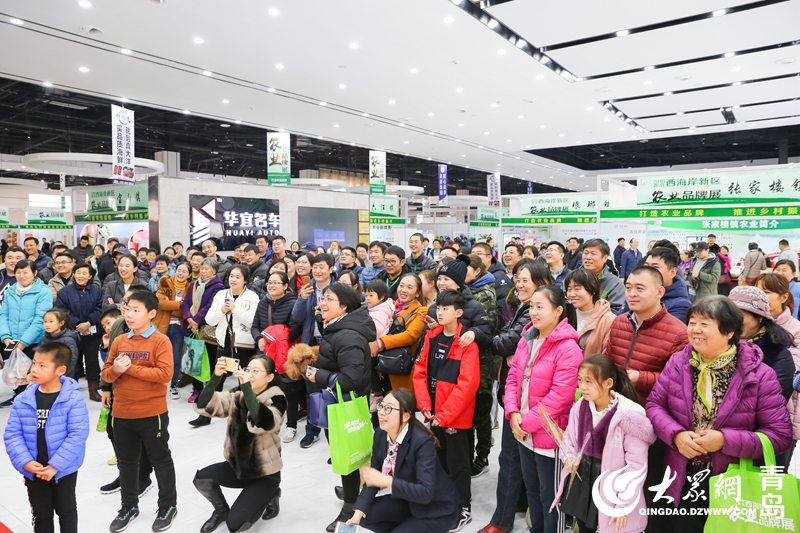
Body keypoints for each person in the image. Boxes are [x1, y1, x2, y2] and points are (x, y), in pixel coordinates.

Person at [646, 296, 792, 531]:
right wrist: (676, 435)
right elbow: (655, 405)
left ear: (729, 332)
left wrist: (724, 440)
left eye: (705, 324)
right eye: (692, 322)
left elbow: (779, 435)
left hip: (732, 482)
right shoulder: (679, 362)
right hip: (683, 475)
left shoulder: (759, 374)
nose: (696, 329)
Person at [505, 285, 583, 533]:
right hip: (523, 431)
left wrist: (524, 423)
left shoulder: (568, 348)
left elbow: (559, 398)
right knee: (532, 491)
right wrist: (513, 413)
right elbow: (512, 378)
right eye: (531, 306)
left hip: (550, 435)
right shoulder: (527, 339)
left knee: (551, 497)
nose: (534, 312)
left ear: (558, 311)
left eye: (540, 307)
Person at [100, 291, 178, 532]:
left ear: (151, 313)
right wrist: (116, 371)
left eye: (136, 310)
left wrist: (130, 368)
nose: (129, 314)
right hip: (122, 412)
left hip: (152, 413)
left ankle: (168, 506)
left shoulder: (160, 341)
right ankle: (129, 506)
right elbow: (106, 374)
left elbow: (165, 374)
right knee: (126, 462)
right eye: (127, 309)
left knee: (160, 460)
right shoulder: (119, 341)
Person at [552, 355, 654, 533]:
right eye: (580, 380)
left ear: (608, 383)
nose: (582, 386)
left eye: (589, 381)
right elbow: (569, 438)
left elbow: (636, 465)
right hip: (583, 483)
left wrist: (624, 502)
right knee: (584, 527)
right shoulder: (581, 406)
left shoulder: (628, 416)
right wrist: (569, 457)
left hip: (612, 490)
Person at [478, 259, 545, 533]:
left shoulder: (536, 315)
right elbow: (505, 343)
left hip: (531, 402)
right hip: (514, 395)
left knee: (512, 458)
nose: (519, 284)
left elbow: (505, 343)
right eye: (517, 279)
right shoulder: (521, 308)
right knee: (515, 456)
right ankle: (514, 505)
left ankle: (501, 521)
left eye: (525, 280)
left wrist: (501, 345)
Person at [303, 283, 377, 531]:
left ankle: (351, 507)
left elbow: (351, 379)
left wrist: (318, 375)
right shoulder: (338, 328)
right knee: (347, 454)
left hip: (345, 405)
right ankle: (353, 491)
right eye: (323, 298)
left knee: (348, 455)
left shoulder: (347, 335)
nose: (322, 303)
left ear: (344, 306)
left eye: (329, 299)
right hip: (338, 402)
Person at [3, 342, 90, 533]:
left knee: (66, 511)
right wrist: (25, 462)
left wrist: (55, 466)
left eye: (42, 365)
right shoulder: (23, 399)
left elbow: (77, 435)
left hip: (63, 470)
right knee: (41, 515)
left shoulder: (72, 399)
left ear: (61, 370)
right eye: (34, 363)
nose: (34, 369)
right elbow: (12, 434)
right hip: (34, 469)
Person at [193, 355, 285, 533]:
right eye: (248, 369)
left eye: (256, 371)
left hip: (264, 473)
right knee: (202, 479)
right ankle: (221, 510)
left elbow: (264, 422)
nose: (250, 374)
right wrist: (216, 377)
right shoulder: (238, 392)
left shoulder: (277, 397)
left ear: (269, 377)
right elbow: (205, 404)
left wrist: (247, 389)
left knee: (235, 524)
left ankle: (272, 494)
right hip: (238, 467)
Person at [347, 389, 460, 533]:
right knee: (365, 514)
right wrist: (358, 513)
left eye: (388, 408)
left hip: (436, 509)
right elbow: (373, 480)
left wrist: (387, 481)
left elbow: (426, 493)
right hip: (408, 501)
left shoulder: (421, 442)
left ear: (406, 416)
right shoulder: (381, 434)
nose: (381, 412)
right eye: (381, 406)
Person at [414, 289, 480, 532]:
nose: (440, 312)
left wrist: (445, 415)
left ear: (458, 312)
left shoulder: (466, 343)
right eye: (438, 307)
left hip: (455, 417)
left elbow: (467, 384)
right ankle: (444, 502)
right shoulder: (432, 336)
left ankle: (463, 508)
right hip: (433, 414)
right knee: (438, 460)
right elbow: (420, 372)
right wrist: (425, 405)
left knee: (458, 464)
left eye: (446, 308)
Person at [605, 267, 688, 406]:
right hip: (613, 404)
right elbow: (608, 358)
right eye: (628, 288)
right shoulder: (619, 322)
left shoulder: (679, 333)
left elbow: (680, 380)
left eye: (639, 288)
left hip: (649, 408)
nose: (632, 294)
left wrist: (641, 378)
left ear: (659, 292)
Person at [752, 272, 800, 469]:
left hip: (784, 414)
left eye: (766, 292)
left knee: (773, 473)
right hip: (747, 415)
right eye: (756, 291)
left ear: (783, 297)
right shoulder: (748, 325)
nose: (759, 296)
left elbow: (790, 373)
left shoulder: (795, 329)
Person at [291, 253, 338, 448]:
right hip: (311, 345)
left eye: (321, 267)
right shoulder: (308, 288)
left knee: (334, 388)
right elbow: (297, 317)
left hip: (333, 345)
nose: (317, 271)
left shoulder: (338, 288)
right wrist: (302, 298)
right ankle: (312, 430)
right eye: (315, 267)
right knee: (312, 390)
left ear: (331, 269)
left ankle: (336, 433)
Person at [251, 271, 303, 443]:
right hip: (265, 354)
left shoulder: (293, 303)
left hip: (284, 354)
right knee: (265, 390)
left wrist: (273, 338)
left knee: (289, 391)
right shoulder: (263, 303)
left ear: (286, 286)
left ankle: (291, 426)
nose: (271, 286)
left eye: (276, 282)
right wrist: (259, 338)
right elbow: (255, 326)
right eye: (269, 282)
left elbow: (294, 330)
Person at [463, 254, 498, 478]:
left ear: (477, 271)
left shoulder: (485, 293)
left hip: (482, 362)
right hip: (465, 362)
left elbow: (488, 329)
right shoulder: (464, 291)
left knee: (481, 413)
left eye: (466, 268)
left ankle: (482, 456)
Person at [0, 259, 53, 406]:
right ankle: (19, 398)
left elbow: (40, 320)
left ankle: (34, 401)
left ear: (34, 273)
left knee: (32, 375)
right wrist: (5, 336)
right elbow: (3, 315)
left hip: (33, 342)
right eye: (18, 272)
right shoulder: (11, 291)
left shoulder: (43, 291)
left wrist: (23, 342)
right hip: (11, 341)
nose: (22, 276)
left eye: (25, 272)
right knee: (16, 375)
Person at [729, 286, 795, 400]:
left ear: (760, 317)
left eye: (740, 316)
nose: (733, 322)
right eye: (729, 316)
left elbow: (775, 399)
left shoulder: (778, 355)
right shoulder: (720, 346)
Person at [54, 263, 103, 398]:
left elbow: (100, 308)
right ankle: (71, 391)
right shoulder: (64, 292)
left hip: (93, 333)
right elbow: (63, 311)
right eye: (78, 273)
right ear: (74, 274)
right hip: (71, 333)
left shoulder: (97, 291)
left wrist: (88, 323)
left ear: (90, 276)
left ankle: (93, 391)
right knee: (72, 362)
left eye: (84, 273)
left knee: (92, 362)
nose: (81, 276)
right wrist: (78, 325)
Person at [182, 258, 226, 403]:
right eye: (202, 268)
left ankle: (210, 390)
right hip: (192, 328)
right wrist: (189, 319)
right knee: (194, 359)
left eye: (206, 268)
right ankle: (197, 388)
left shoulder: (218, 286)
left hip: (207, 328)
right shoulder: (194, 284)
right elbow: (186, 303)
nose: (203, 271)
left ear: (214, 271)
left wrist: (196, 321)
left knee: (211, 360)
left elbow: (210, 306)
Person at [155, 262, 190, 400]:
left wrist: (172, 305)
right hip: (161, 325)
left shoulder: (190, 288)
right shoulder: (165, 282)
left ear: (189, 274)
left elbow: (187, 310)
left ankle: (173, 385)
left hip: (178, 327)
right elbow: (161, 304)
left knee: (176, 357)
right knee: (157, 356)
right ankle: (156, 384)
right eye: (179, 270)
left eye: (184, 271)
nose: (180, 273)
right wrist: (180, 304)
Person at [636, 246, 692, 323]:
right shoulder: (636, 294)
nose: (648, 271)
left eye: (655, 267)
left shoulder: (681, 305)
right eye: (646, 266)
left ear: (672, 272)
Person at [565, 268, 614, 355]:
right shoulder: (566, 315)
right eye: (569, 289)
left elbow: (607, 356)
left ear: (593, 290)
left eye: (577, 289)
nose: (572, 294)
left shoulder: (608, 321)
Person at [364, 280, 395, 406]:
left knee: (370, 369)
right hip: (371, 344)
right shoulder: (371, 308)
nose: (367, 298)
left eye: (371, 295)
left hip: (376, 346)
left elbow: (377, 330)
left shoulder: (381, 311)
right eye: (366, 295)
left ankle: (377, 394)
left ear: (381, 297)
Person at [577, 238, 625, 315]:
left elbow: (617, 312)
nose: (588, 257)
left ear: (605, 258)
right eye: (585, 253)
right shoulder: (571, 278)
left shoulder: (615, 284)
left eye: (593, 253)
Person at [472, 242, 511, 310]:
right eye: (472, 253)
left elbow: (503, 307)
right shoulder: (474, 275)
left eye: (479, 254)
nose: (474, 257)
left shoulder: (500, 278)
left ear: (489, 257)